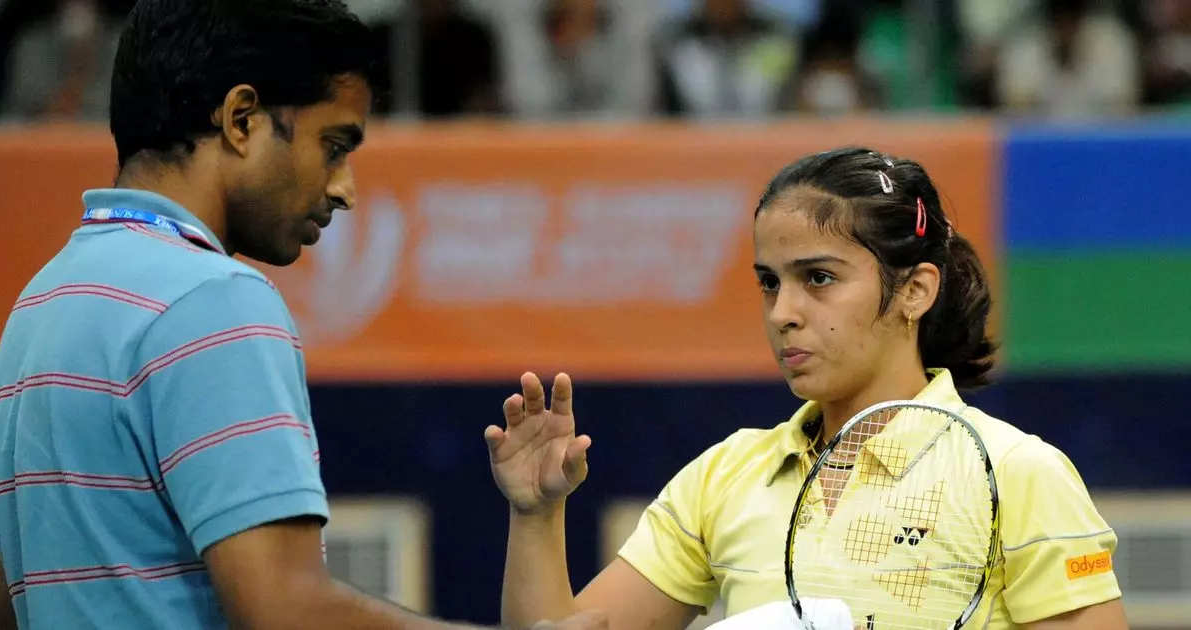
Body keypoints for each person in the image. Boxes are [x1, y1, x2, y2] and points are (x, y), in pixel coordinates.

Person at [0, 2, 606, 630]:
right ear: (240, 120)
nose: (345, 189)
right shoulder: (216, 300)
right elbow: (283, 608)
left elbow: (4, 597)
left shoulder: (40, 304)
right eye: (333, 145)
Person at [485, 148, 1131, 629]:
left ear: (914, 290)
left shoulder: (1019, 474)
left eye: (818, 278)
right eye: (769, 281)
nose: (782, 311)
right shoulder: (723, 476)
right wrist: (536, 517)